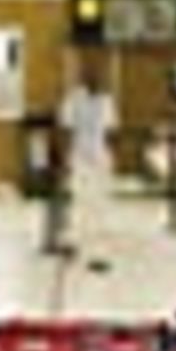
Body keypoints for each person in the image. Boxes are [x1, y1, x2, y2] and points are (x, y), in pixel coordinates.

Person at [58, 51, 118, 272]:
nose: (96, 79)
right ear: (84, 77)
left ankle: (99, 253)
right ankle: (71, 243)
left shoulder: (106, 102)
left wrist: (108, 159)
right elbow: (66, 130)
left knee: (99, 206)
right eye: (90, 75)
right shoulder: (73, 100)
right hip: (79, 157)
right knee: (78, 202)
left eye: (99, 75)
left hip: (100, 158)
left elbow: (111, 132)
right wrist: (65, 160)